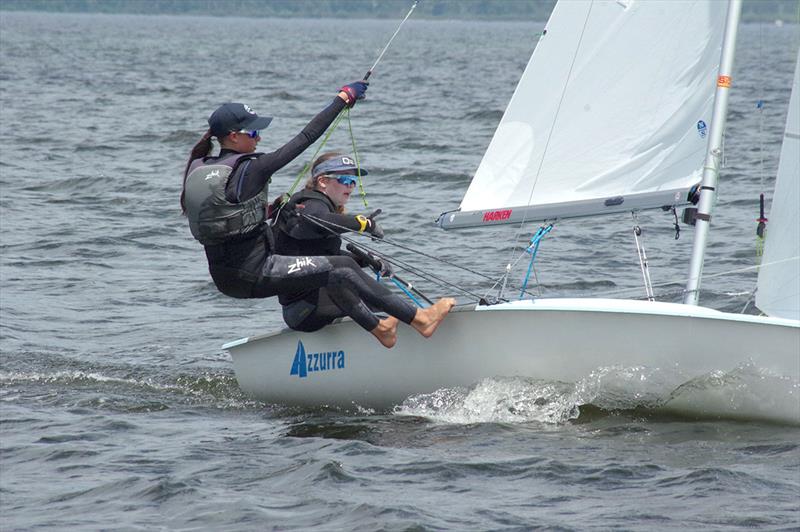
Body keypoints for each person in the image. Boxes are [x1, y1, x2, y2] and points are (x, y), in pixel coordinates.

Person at [181, 84, 454, 347]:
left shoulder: (199, 166)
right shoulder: (252, 169)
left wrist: (269, 211)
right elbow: (306, 137)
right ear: (233, 136)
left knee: (337, 271)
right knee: (341, 267)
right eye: (253, 133)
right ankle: (420, 319)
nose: (259, 138)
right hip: (254, 272)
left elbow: (224, 217)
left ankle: (381, 329)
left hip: (225, 276)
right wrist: (342, 99)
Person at [274, 151, 456, 346]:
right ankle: (420, 320)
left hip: (313, 305)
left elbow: (319, 255)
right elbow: (320, 221)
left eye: (353, 181)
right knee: (339, 276)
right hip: (303, 310)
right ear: (323, 181)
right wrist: (364, 224)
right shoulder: (312, 204)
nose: (351, 186)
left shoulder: (316, 206)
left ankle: (391, 326)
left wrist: (367, 261)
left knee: (353, 280)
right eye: (344, 179)